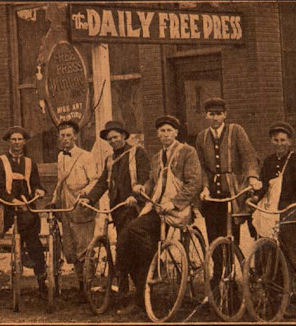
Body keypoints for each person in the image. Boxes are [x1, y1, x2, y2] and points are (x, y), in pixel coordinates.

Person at [118, 115, 202, 314]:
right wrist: (141, 188)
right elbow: (153, 182)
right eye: (162, 131)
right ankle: (142, 275)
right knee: (128, 235)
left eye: (169, 131)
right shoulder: (157, 157)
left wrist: (173, 203)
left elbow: (194, 183)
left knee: (136, 232)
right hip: (157, 208)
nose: (165, 135)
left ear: (176, 133)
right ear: (157, 134)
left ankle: (152, 268)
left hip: (178, 210)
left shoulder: (187, 152)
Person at [195, 97, 262, 289]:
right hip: (212, 195)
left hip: (232, 192)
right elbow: (201, 167)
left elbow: (249, 156)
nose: (215, 118)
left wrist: (252, 178)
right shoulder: (202, 137)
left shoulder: (236, 131)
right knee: (213, 236)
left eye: (218, 114)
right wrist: (205, 187)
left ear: (225, 114)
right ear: (206, 115)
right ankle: (217, 276)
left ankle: (231, 276)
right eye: (211, 114)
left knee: (232, 235)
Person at [81, 120, 151, 304]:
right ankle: (126, 290)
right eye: (110, 139)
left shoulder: (138, 152)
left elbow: (146, 177)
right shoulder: (110, 159)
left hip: (136, 208)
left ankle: (138, 293)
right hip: (118, 210)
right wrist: (89, 198)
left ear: (124, 136)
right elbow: (103, 182)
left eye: (116, 137)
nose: (113, 141)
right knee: (123, 248)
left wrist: (138, 195)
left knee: (128, 249)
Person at [255, 121, 296, 317]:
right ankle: (275, 294)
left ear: (289, 141)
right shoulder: (269, 161)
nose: (279, 143)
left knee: (290, 250)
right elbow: (263, 185)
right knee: (266, 247)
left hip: (291, 208)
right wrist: (255, 196)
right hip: (272, 208)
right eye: (276, 140)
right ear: (271, 141)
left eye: (283, 140)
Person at [0, 126, 47, 298]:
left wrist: (39, 191)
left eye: (20, 139)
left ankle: (42, 281)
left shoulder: (30, 163)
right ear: (9, 142)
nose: (16, 143)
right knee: (28, 230)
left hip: (28, 207)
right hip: (8, 208)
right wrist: (12, 201)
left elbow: (36, 183)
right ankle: (23, 252)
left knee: (34, 242)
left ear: (24, 142)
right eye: (13, 139)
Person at [50, 120, 98, 302]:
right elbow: (60, 182)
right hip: (66, 210)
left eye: (68, 135)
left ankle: (88, 289)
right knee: (70, 250)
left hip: (82, 209)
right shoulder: (60, 157)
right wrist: (54, 199)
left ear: (76, 136)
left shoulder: (86, 156)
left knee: (85, 250)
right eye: (62, 135)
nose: (65, 139)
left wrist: (85, 194)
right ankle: (80, 285)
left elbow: (95, 180)